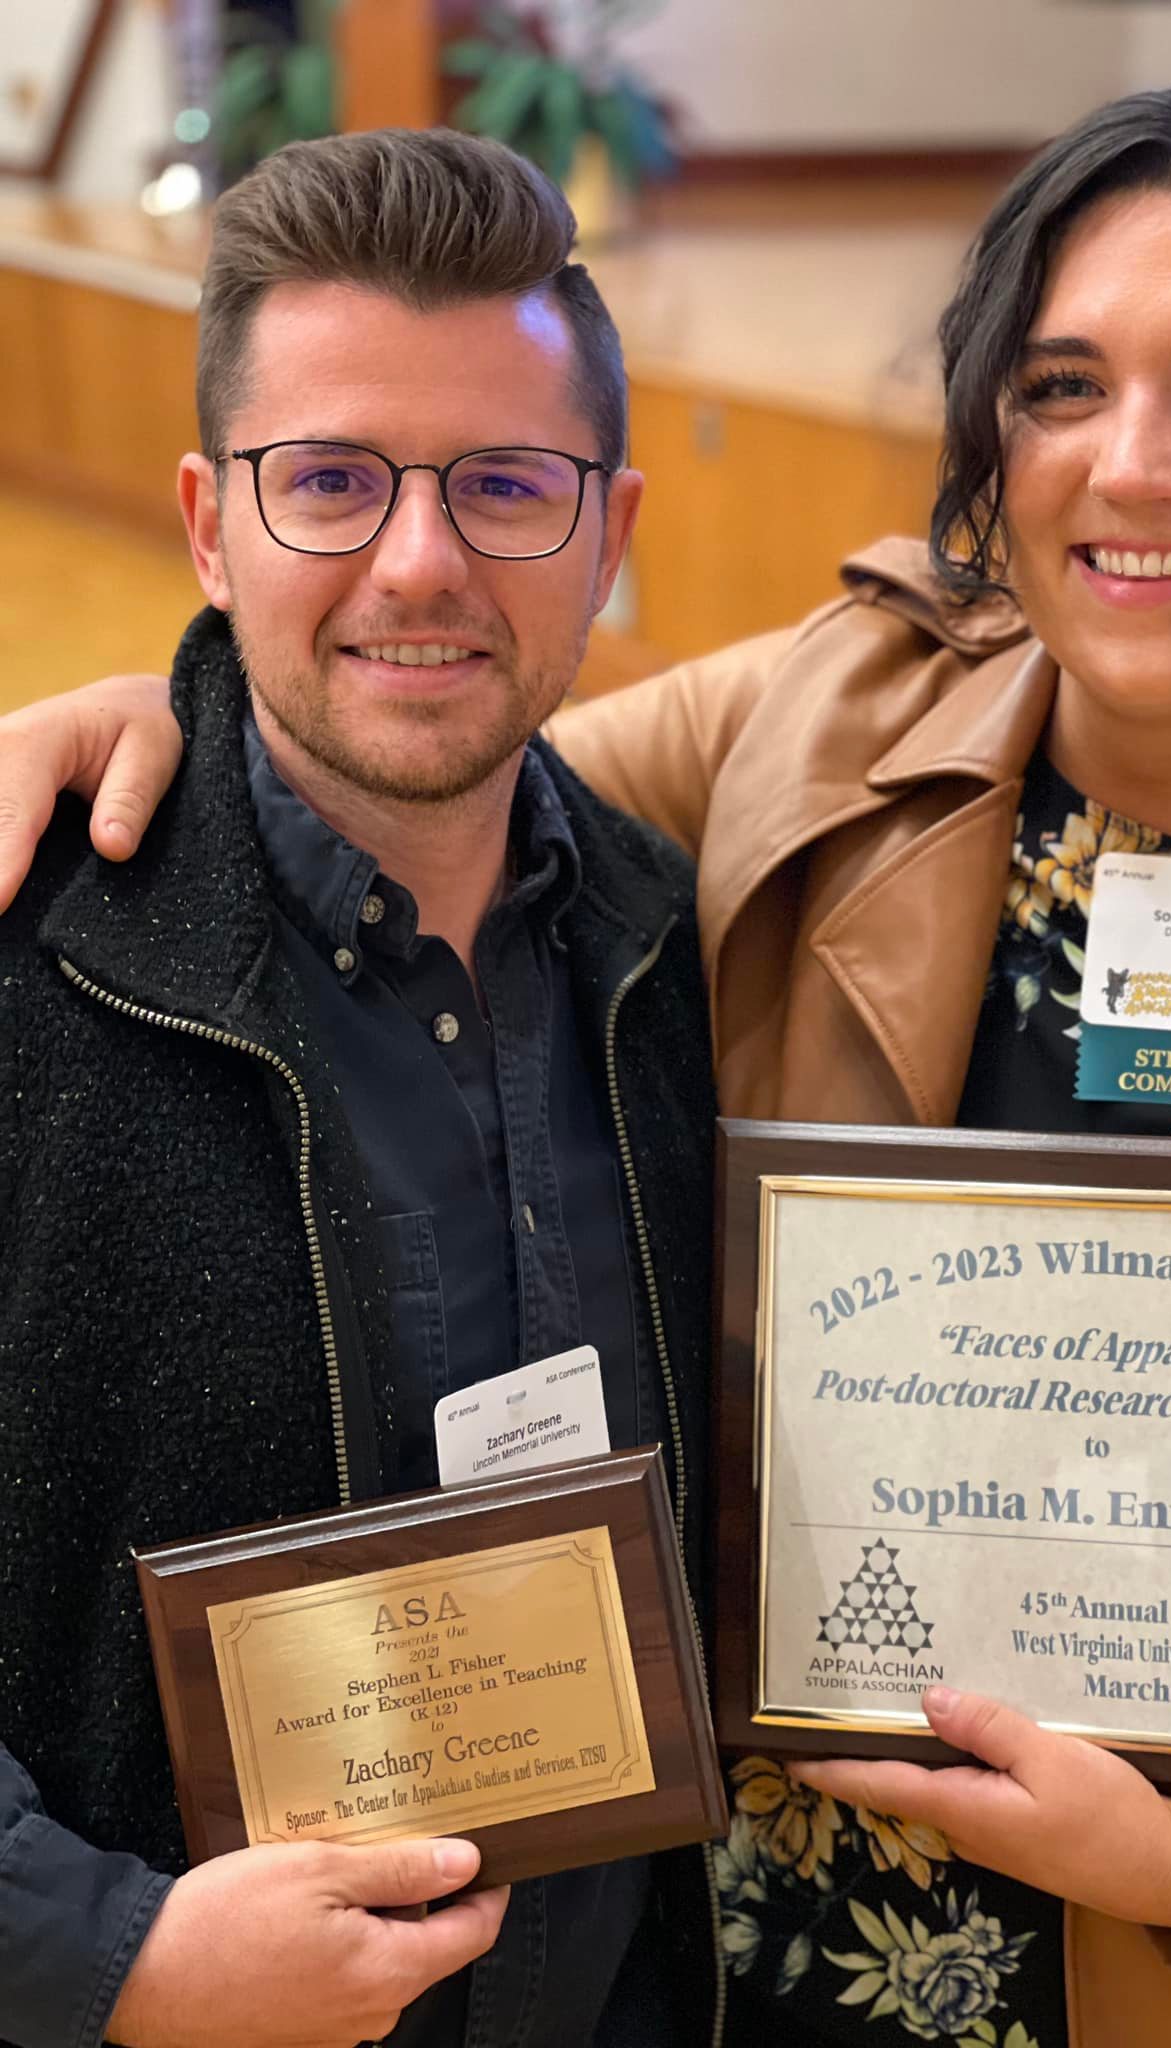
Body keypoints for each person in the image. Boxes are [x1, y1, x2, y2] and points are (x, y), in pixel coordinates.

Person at [3, 81, 1171, 2048]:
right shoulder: (837, 721)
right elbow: (423, 733)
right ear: (995, 448)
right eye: (1060, 388)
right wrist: (157, 717)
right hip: (757, 1969)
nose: (1134, 461)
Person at [0, 131, 723, 2048]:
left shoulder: (683, 967)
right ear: (208, 524)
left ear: (612, 530)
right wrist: (103, 1957)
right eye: (329, 482)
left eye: (504, 485)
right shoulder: (25, 967)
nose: (420, 561)